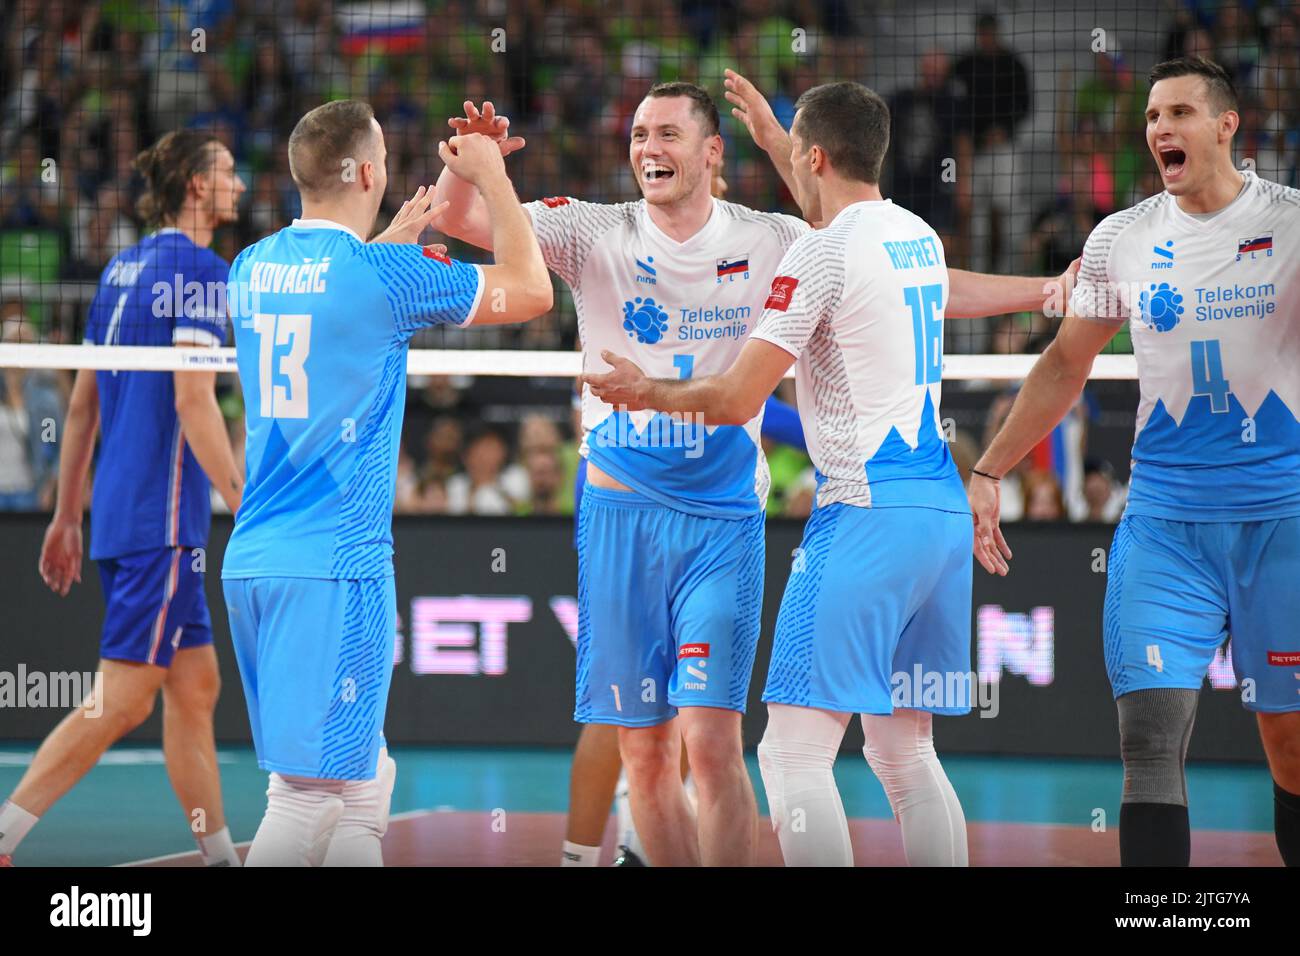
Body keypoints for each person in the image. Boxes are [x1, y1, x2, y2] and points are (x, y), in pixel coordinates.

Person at [586, 80, 982, 868]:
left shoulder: (820, 252)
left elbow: (737, 399)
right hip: (942, 512)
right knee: (905, 757)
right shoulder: (918, 236)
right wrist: (1047, 290)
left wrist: (645, 391)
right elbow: (940, 285)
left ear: (815, 156)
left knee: (792, 757)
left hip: (865, 511)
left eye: (793, 152)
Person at [968, 56, 1300, 867]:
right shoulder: (1122, 237)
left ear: (1227, 126)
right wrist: (988, 469)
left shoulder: (1290, 221)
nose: (1160, 131)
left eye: (1181, 113)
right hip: (1164, 525)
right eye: (1154, 117)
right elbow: (1061, 366)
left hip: (1280, 515)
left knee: (1289, 743)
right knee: (1148, 741)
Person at [221, 100, 551, 867]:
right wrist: (492, 179)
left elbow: (339, 304)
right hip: (335, 565)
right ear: (370, 173)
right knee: (305, 803)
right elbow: (533, 290)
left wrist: (400, 233)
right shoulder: (385, 276)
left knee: (363, 782)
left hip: (257, 560)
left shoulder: (252, 267)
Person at [1, 130, 246, 867]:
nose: (239, 183)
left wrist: (65, 514)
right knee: (125, 699)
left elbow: (81, 409)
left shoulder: (119, 269)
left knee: (195, 686)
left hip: (117, 513)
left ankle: (222, 855)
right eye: (228, 173)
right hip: (164, 520)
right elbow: (196, 402)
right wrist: (244, 498)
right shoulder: (202, 271)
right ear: (197, 188)